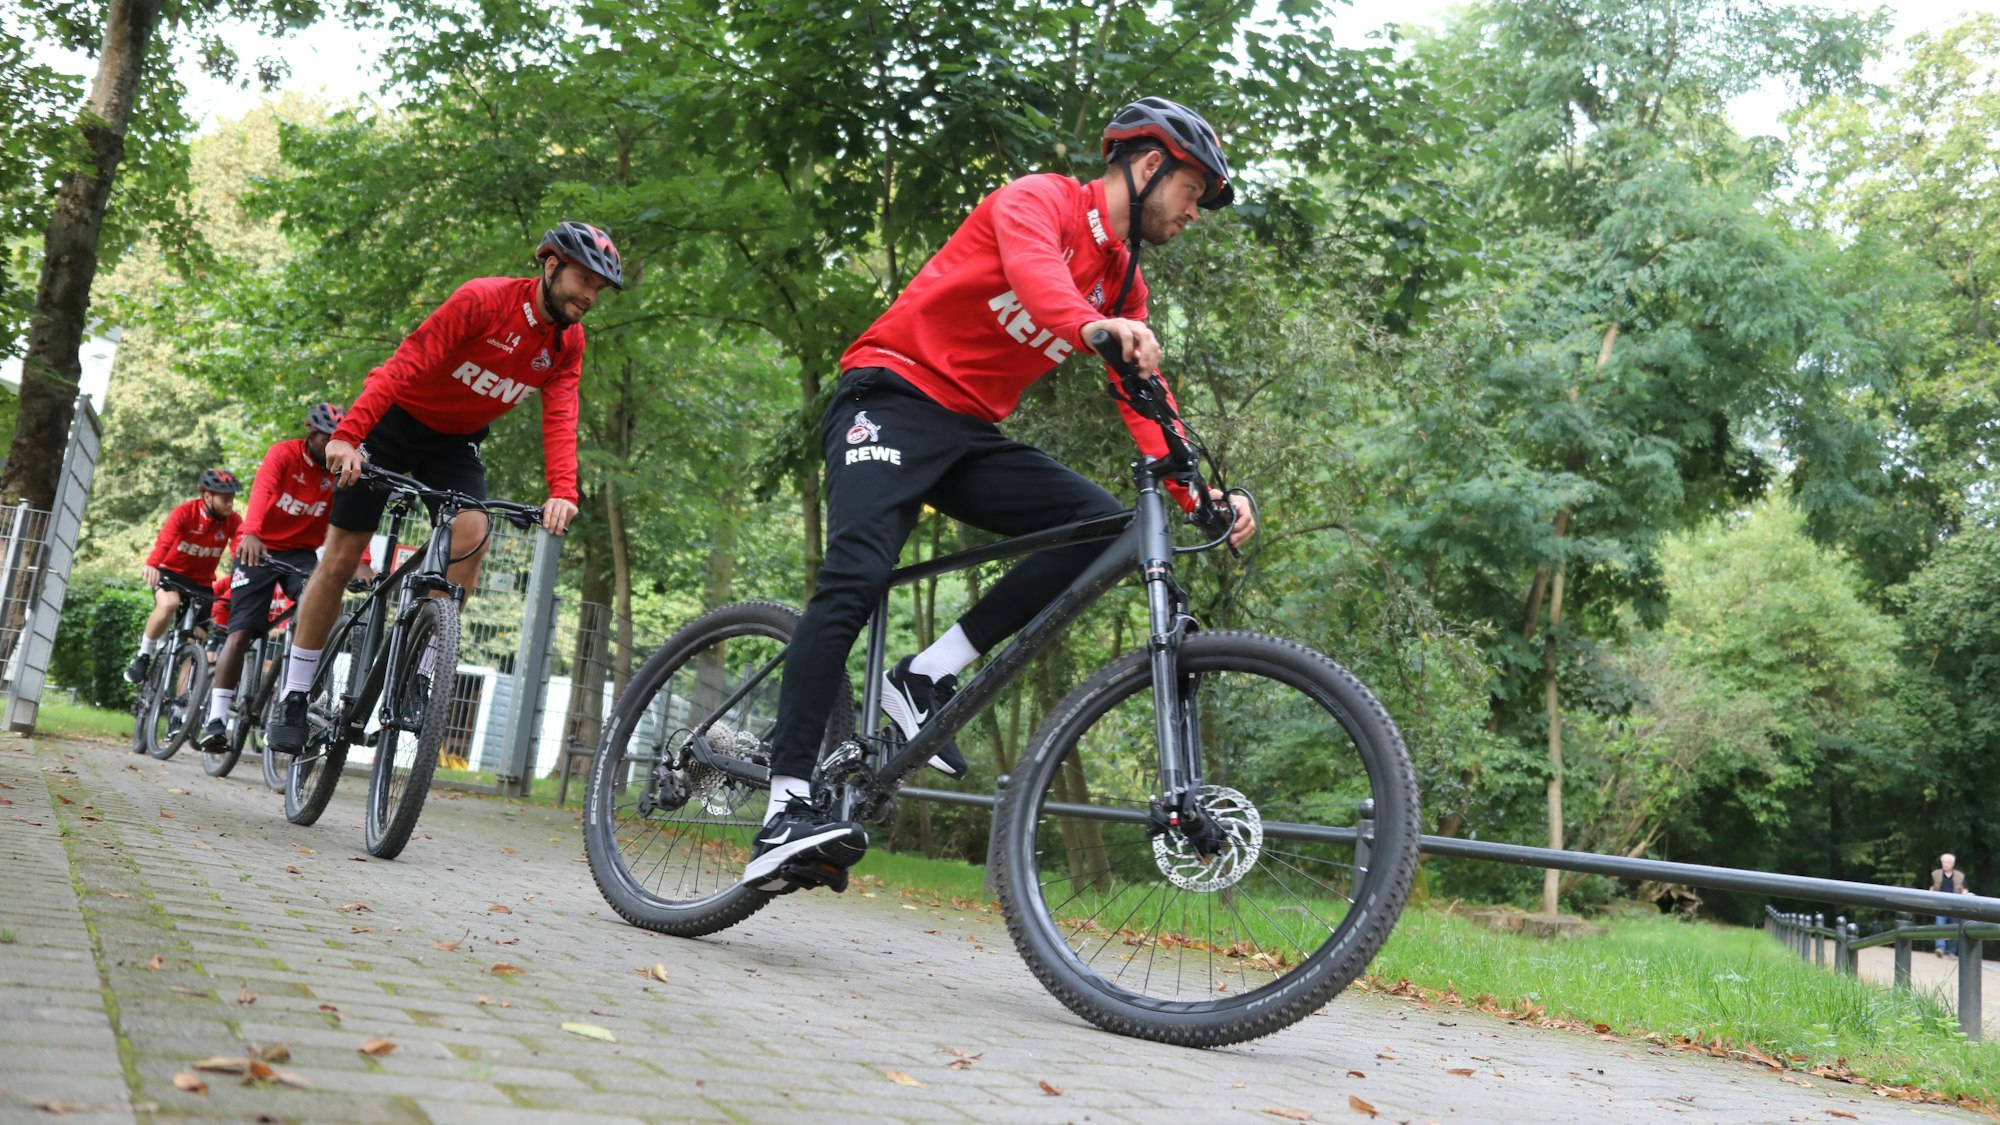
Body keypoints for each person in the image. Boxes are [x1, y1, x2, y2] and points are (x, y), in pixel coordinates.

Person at [741, 97, 1256, 890]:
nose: (1196, 211)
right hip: (890, 395)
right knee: (856, 575)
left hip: (966, 431)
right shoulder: (1039, 201)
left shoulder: (1122, 279)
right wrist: (1095, 328)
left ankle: (922, 675)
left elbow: (1148, 406)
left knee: (1095, 525)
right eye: (1193, 190)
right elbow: (1037, 276)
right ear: (1150, 164)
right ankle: (785, 805)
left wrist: (1205, 497)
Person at [265, 222, 619, 756]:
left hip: (453, 445)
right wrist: (348, 436)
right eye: (583, 280)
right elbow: (403, 364)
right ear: (551, 266)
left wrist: (562, 490)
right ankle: (293, 694)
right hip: (391, 425)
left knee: (473, 534)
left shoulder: (568, 341)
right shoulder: (484, 300)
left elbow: (561, 415)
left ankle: (417, 673)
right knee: (340, 559)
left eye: (599, 288)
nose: (590, 296)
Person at [197, 404, 368, 751]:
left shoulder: (343, 467)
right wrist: (251, 532)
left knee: (316, 604)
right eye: (327, 438)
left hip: (302, 554)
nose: (333, 445)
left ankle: (296, 690)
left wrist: (362, 561)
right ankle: (215, 719)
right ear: (312, 435)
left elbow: (354, 514)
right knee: (241, 631)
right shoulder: (284, 455)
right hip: (259, 549)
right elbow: (261, 491)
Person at [125, 469, 243, 684]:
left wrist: (241, 575)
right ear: (207, 496)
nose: (230, 504)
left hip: (202, 583)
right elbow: (164, 541)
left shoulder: (233, 520)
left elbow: (238, 550)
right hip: (171, 574)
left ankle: (182, 710)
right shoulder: (185, 512)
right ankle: (143, 655)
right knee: (170, 603)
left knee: (195, 644)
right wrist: (151, 565)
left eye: (232, 499)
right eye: (225, 499)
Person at [1932, 853, 1968, 956]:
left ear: (1952, 864)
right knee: (1940, 925)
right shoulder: (1935, 874)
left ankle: (1951, 951)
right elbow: (1932, 888)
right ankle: (1940, 948)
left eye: (1948, 862)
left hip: (1955, 907)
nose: (1945, 864)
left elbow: (1965, 889)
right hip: (1940, 905)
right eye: (1943, 862)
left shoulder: (1960, 876)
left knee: (1955, 927)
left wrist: (1964, 892)